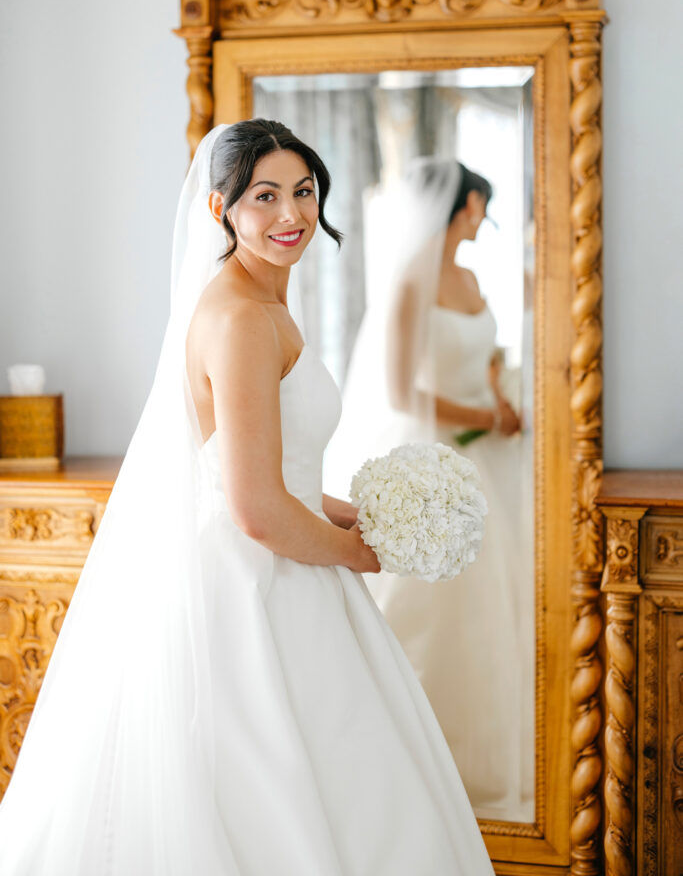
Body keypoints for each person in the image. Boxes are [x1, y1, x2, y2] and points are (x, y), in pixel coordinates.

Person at [0, 122, 494, 874]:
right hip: (253, 581)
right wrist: (365, 555)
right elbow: (257, 508)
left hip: (283, 555)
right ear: (219, 209)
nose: (290, 214)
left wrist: (353, 512)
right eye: (264, 196)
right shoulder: (237, 319)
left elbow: (268, 468)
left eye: (303, 191)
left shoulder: (264, 304)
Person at [324, 157, 534, 821]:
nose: (482, 222)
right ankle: (416, 763)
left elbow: (487, 355)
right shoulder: (408, 280)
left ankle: (488, 762)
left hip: (493, 462)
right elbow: (399, 391)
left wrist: (500, 395)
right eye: (482, 209)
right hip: (441, 461)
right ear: (466, 205)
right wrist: (483, 416)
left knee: (498, 614)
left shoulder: (472, 276)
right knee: (434, 615)